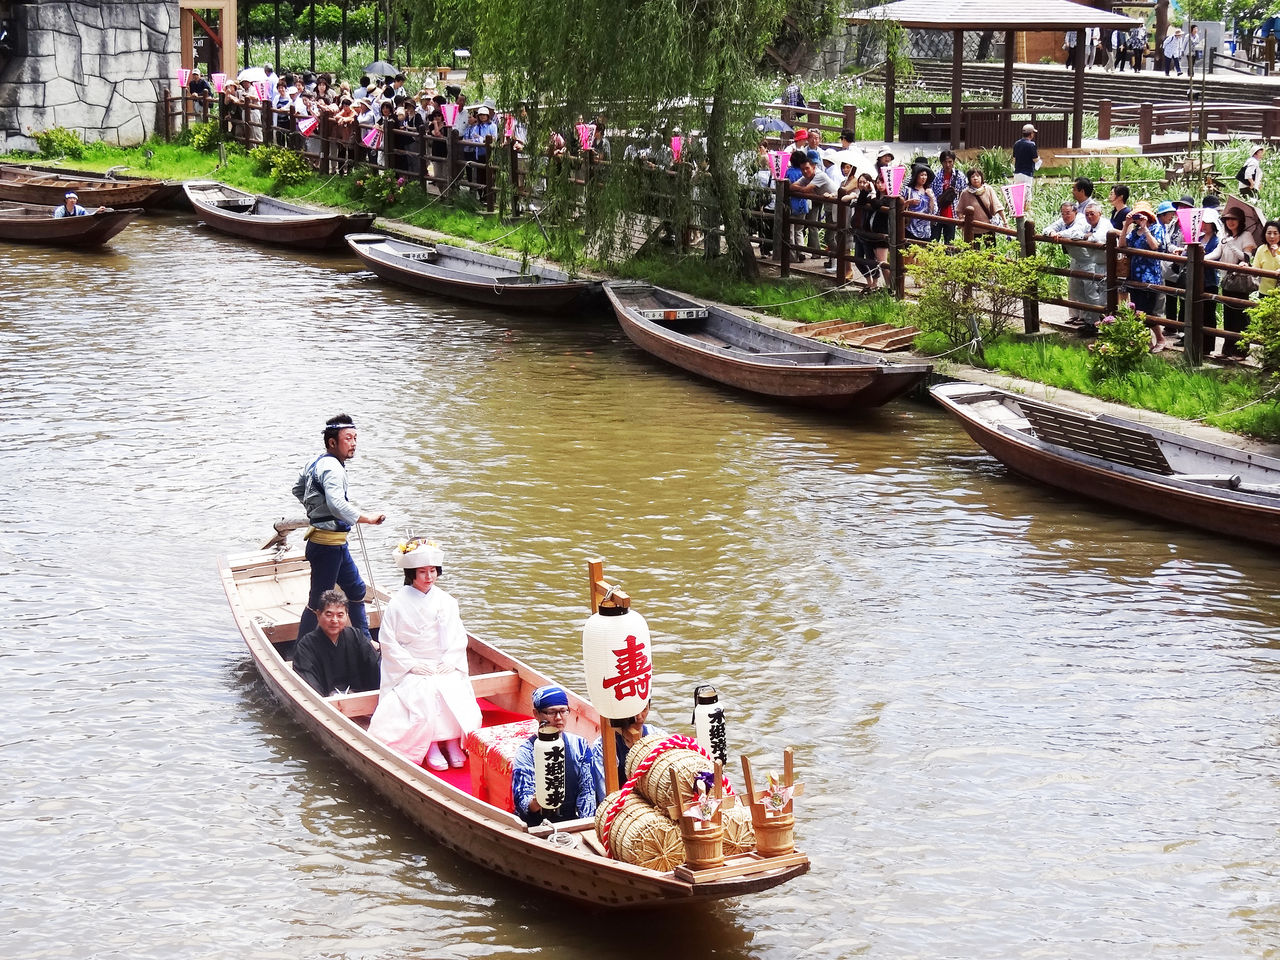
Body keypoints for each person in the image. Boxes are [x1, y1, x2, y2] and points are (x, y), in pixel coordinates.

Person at [367, 538, 482, 770]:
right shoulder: (397, 603)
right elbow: (388, 641)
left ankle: (450, 742)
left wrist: (451, 660)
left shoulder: (447, 601)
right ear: (412, 573)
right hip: (413, 664)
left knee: (453, 685)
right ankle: (429, 744)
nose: (428, 577)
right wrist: (411, 665)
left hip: (442, 661)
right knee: (425, 691)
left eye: (432, 571)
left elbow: (459, 636)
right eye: (422, 572)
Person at [291, 414, 386, 643]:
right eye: (348, 438)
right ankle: (302, 654)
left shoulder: (315, 463)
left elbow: (297, 489)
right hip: (326, 545)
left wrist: (314, 509)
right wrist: (366, 518)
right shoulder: (333, 468)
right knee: (318, 603)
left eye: (355, 438)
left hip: (336, 543)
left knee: (355, 590)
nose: (353, 443)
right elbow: (336, 504)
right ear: (332, 442)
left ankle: (363, 641)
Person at [511, 685, 600, 826]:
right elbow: (522, 800)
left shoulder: (580, 745)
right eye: (551, 712)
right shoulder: (526, 751)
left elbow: (587, 791)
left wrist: (584, 825)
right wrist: (537, 801)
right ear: (536, 714)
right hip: (537, 825)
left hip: (571, 821)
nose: (558, 718)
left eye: (563, 711)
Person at [292, 588, 381, 697]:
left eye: (340, 615)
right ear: (318, 615)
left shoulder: (355, 636)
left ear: (347, 616)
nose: (334, 620)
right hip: (325, 702)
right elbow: (308, 681)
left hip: (359, 696)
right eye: (329, 615)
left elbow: (375, 665)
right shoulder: (306, 645)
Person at [1207, 208, 1258, 360]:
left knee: (1240, 316)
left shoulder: (1246, 236)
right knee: (1229, 314)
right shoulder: (1226, 237)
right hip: (1227, 280)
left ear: (1240, 221)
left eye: (1233, 219)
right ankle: (1227, 350)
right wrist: (1200, 256)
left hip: (1240, 281)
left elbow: (1246, 257)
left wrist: (1232, 245)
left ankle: (1241, 351)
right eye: (1227, 219)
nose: (1230, 222)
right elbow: (1216, 254)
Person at [1118, 200, 1169, 350]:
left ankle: (1160, 338)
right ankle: (1146, 340)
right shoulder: (1134, 232)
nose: (1141, 217)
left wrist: (1145, 228)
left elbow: (1155, 246)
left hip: (1150, 275)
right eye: (1138, 215)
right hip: (1135, 275)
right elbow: (1122, 245)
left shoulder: (1156, 228)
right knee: (1138, 309)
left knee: (1148, 310)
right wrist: (1126, 225)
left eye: (1144, 214)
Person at [591, 701, 661, 792]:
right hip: (622, 802)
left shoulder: (657, 736)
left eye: (644, 709)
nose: (639, 717)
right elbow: (604, 795)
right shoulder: (601, 748)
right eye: (634, 712)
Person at [930, 150, 967, 242]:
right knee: (934, 241)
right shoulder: (936, 176)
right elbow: (932, 193)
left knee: (949, 242)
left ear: (954, 162)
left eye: (950, 162)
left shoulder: (959, 176)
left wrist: (962, 214)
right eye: (945, 162)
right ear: (941, 162)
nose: (947, 164)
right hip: (937, 213)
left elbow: (964, 193)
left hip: (952, 213)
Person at [957, 167, 1006, 235]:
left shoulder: (988, 190)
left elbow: (998, 207)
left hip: (988, 228)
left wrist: (1005, 222)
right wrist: (961, 219)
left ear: (981, 178)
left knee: (990, 245)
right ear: (969, 179)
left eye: (977, 176)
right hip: (972, 229)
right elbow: (959, 210)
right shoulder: (965, 193)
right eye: (972, 176)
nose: (975, 178)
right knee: (973, 245)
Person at [901, 165, 936, 242]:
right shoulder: (908, 190)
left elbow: (934, 211)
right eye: (921, 175)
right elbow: (899, 206)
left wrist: (931, 197)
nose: (924, 177)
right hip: (910, 228)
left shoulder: (929, 191)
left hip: (926, 230)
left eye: (925, 175)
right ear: (916, 176)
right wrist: (908, 202)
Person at [1254, 219, 1280, 297]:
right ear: (1264, 234)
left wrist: (1275, 254)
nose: (1272, 236)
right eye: (1269, 233)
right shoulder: (1261, 249)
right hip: (1264, 291)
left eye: (1275, 233)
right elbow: (1255, 269)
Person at [1012, 124, 1038, 196]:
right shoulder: (1032, 145)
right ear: (1031, 134)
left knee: (1018, 195)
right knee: (1027, 195)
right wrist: (1039, 160)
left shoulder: (1016, 143)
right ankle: (1027, 207)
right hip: (1027, 174)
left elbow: (1014, 158)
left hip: (1017, 173)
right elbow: (1035, 159)